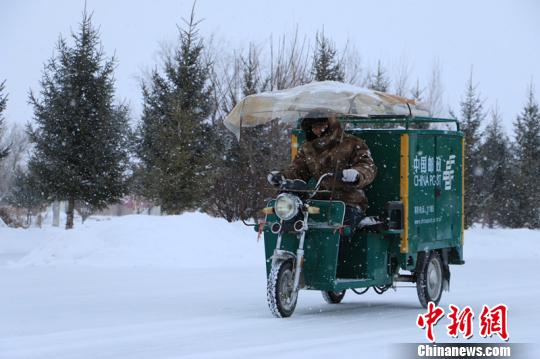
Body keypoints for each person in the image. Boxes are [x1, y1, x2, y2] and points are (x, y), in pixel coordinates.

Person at [267, 113, 377, 229]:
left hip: (347, 200)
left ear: (330, 124)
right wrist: (282, 177)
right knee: (290, 220)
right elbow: (297, 170)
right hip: (316, 200)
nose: (317, 131)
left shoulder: (352, 143)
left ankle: (339, 246)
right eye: (314, 127)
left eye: (321, 125)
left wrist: (356, 174)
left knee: (340, 227)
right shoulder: (308, 148)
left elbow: (368, 167)